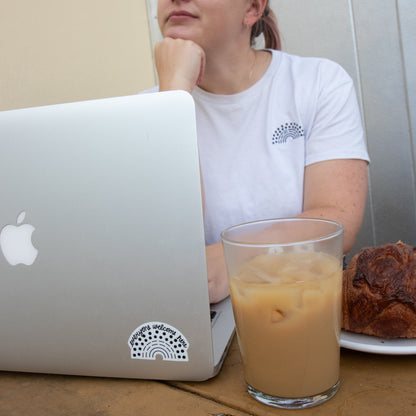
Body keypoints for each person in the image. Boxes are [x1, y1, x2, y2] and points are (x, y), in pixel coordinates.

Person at [150, 0, 369, 303]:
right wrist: (174, 96)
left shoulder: (319, 83)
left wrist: (232, 257)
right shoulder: (146, 112)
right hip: (193, 315)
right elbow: (165, 252)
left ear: (252, 8)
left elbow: (336, 222)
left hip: (302, 305)